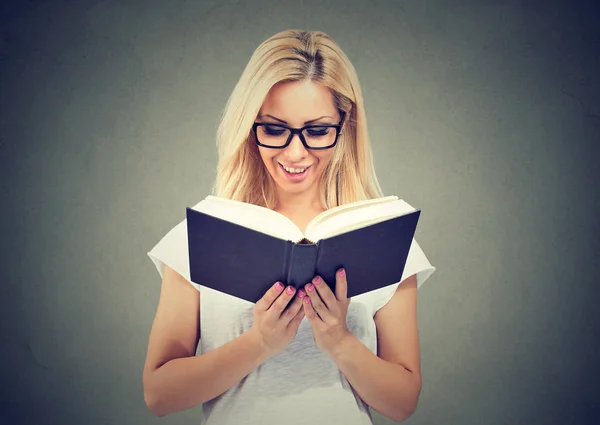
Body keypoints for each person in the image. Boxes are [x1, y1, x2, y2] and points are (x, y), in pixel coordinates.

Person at [143, 29, 435, 424]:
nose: (295, 152)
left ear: (344, 127)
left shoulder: (386, 239)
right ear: (249, 128)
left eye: (316, 131)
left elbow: (402, 403)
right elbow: (159, 395)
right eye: (274, 129)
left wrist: (339, 340)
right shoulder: (198, 236)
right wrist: (259, 342)